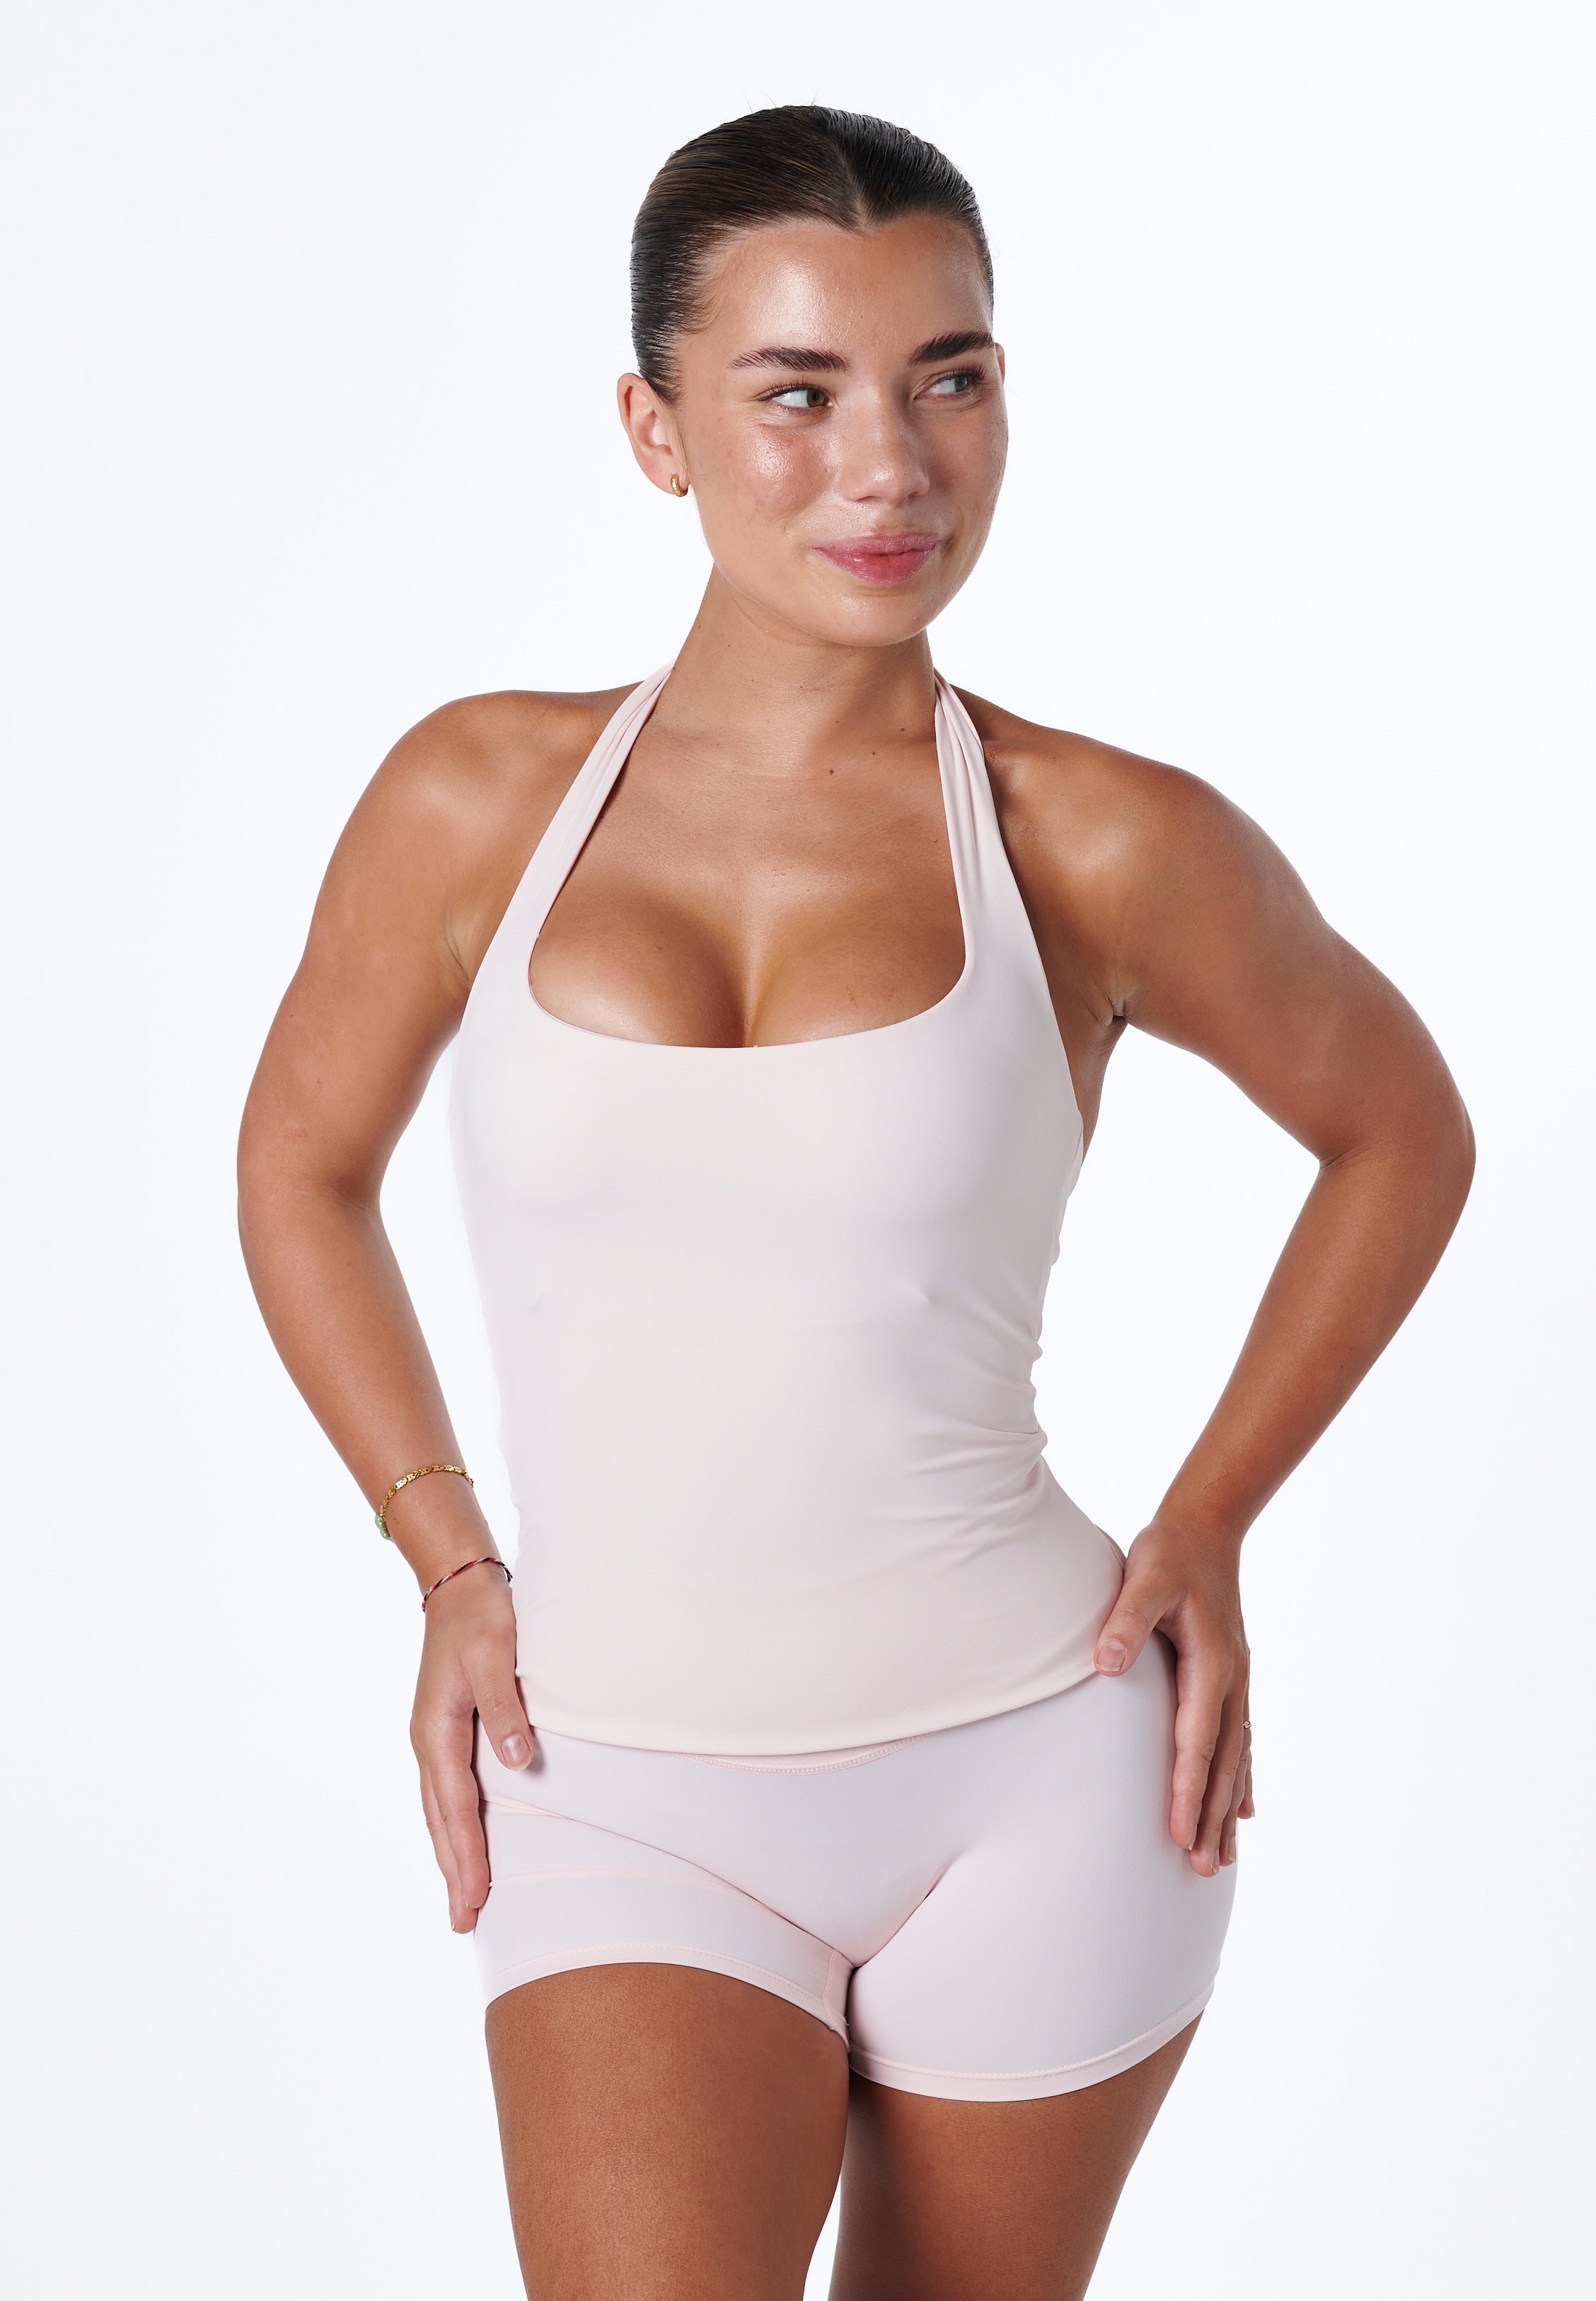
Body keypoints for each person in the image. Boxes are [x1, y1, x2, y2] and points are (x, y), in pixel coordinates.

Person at [238, 105, 1474, 2301]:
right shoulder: (474, 796)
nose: (888, 466)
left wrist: (1207, 1516)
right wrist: (443, 1550)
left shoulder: (1097, 838)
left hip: (1042, 1778)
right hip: (614, 1778)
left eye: (947, 377)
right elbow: (298, 1168)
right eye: (796, 394)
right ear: (655, 428)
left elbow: (1400, 1128)